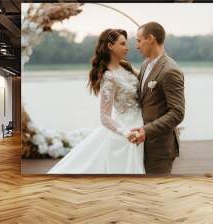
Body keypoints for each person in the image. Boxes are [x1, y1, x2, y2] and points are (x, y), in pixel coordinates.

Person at [47, 28, 145, 174]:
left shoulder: (127, 67)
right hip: (128, 133)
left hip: (142, 125)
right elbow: (104, 116)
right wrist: (125, 133)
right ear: (110, 46)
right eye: (123, 44)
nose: (127, 47)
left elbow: (147, 79)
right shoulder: (109, 77)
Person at [128, 22, 185, 174]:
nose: (137, 46)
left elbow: (177, 113)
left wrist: (146, 130)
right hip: (143, 144)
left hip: (160, 148)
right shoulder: (145, 64)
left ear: (151, 38)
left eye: (139, 40)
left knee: (157, 194)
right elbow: (146, 91)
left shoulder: (171, 71)